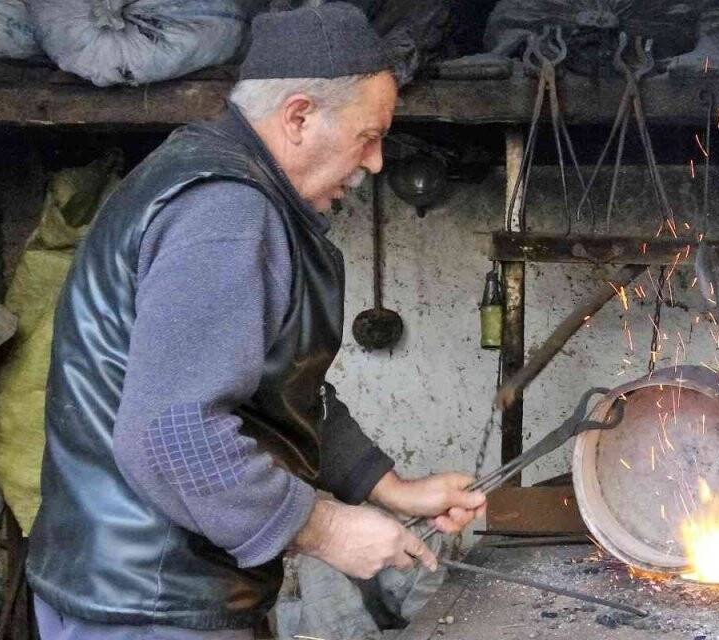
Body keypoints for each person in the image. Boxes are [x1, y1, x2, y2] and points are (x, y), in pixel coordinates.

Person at [25, 5, 485, 638]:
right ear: (299, 116)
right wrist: (327, 529)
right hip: (150, 605)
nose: (376, 163)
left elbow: (273, 389)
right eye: (368, 136)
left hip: (147, 588)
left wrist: (389, 488)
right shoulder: (225, 214)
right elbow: (174, 434)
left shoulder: (214, 178)